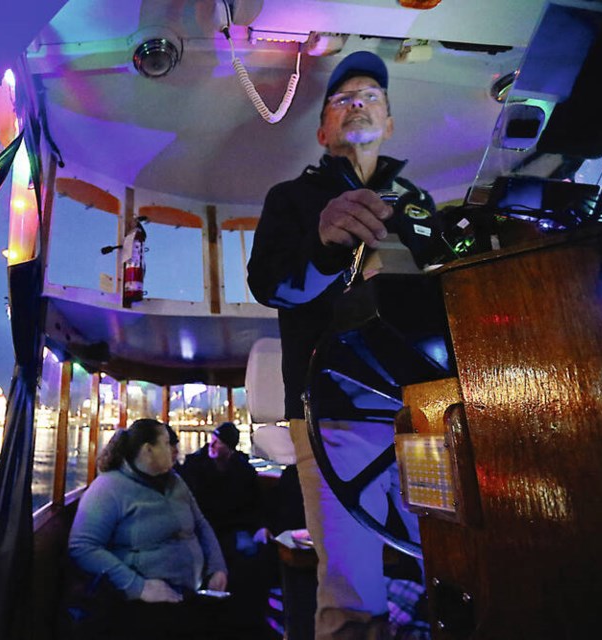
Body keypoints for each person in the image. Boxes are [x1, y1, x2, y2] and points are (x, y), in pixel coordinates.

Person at [247, 50, 433, 639]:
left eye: (371, 97)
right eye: (343, 99)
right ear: (325, 128)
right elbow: (271, 286)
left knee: (456, 552)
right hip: (333, 413)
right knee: (350, 588)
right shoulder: (290, 200)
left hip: (423, 413)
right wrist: (325, 246)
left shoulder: (419, 207)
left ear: (391, 124)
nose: (357, 103)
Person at [66, 418, 230, 640]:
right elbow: (82, 547)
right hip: (145, 602)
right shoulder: (108, 488)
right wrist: (139, 587)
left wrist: (217, 567)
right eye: (165, 442)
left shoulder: (175, 482)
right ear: (148, 450)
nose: (173, 449)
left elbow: (201, 524)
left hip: (193, 593)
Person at [178, 422, 279, 639]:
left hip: (236, 527)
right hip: (203, 527)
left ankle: (248, 620)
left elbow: (257, 504)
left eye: (220, 441)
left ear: (230, 448)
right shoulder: (194, 466)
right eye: (213, 439)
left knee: (254, 554)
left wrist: (263, 527)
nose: (213, 444)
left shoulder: (243, 470)